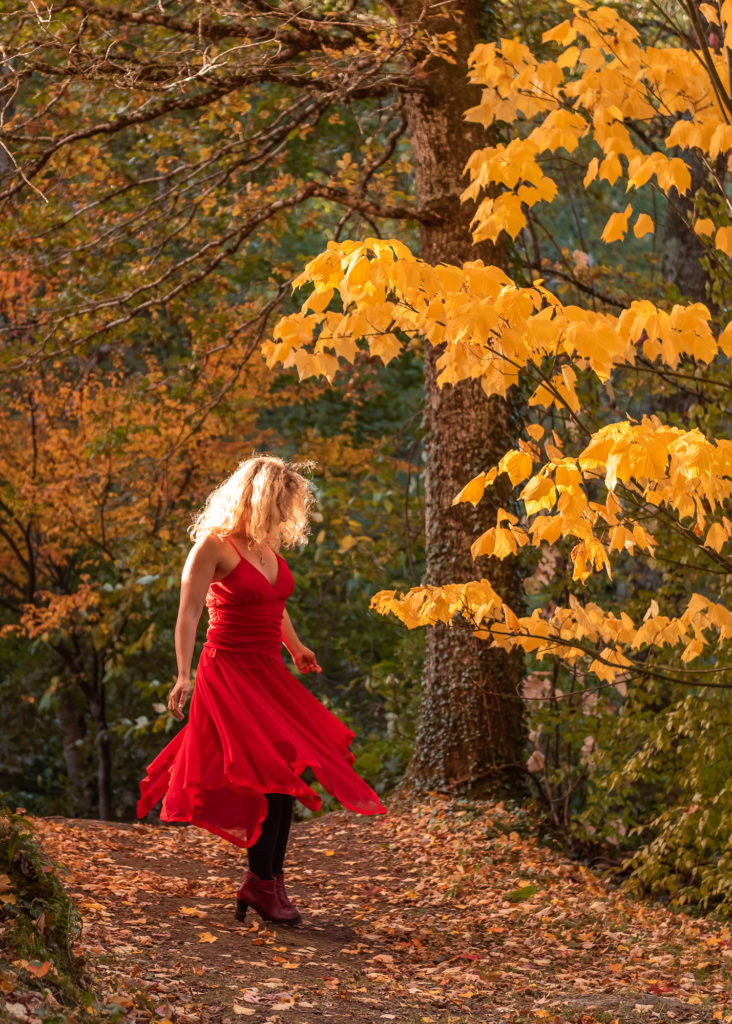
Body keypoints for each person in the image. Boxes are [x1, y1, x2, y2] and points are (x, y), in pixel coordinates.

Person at [137, 455, 386, 925]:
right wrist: (183, 674)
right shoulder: (213, 545)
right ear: (252, 497)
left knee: (289, 771)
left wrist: (296, 648)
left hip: (268, 671)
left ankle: (266, 881)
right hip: (227, 671)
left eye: (286, 507)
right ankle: (263, 883)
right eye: (277, 504)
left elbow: (275, 604)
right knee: (270, 775)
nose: (281, 515)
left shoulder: (268, 552)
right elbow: (188, 613)